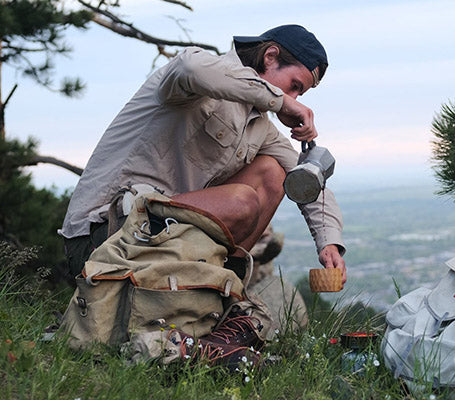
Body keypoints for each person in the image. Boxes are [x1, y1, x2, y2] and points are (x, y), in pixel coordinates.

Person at [58, 25, 346, 359]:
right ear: (270, 57)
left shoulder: (260, 128)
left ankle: (219, 301)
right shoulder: (195, 78)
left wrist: (329, 243)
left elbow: (308, 181)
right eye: (294, 86)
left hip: (168, 243)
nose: (294, 100)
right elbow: (190, 69)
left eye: (300, 95)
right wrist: (277, 99)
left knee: (272, 172)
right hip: (105, 236)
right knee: (242, 202)